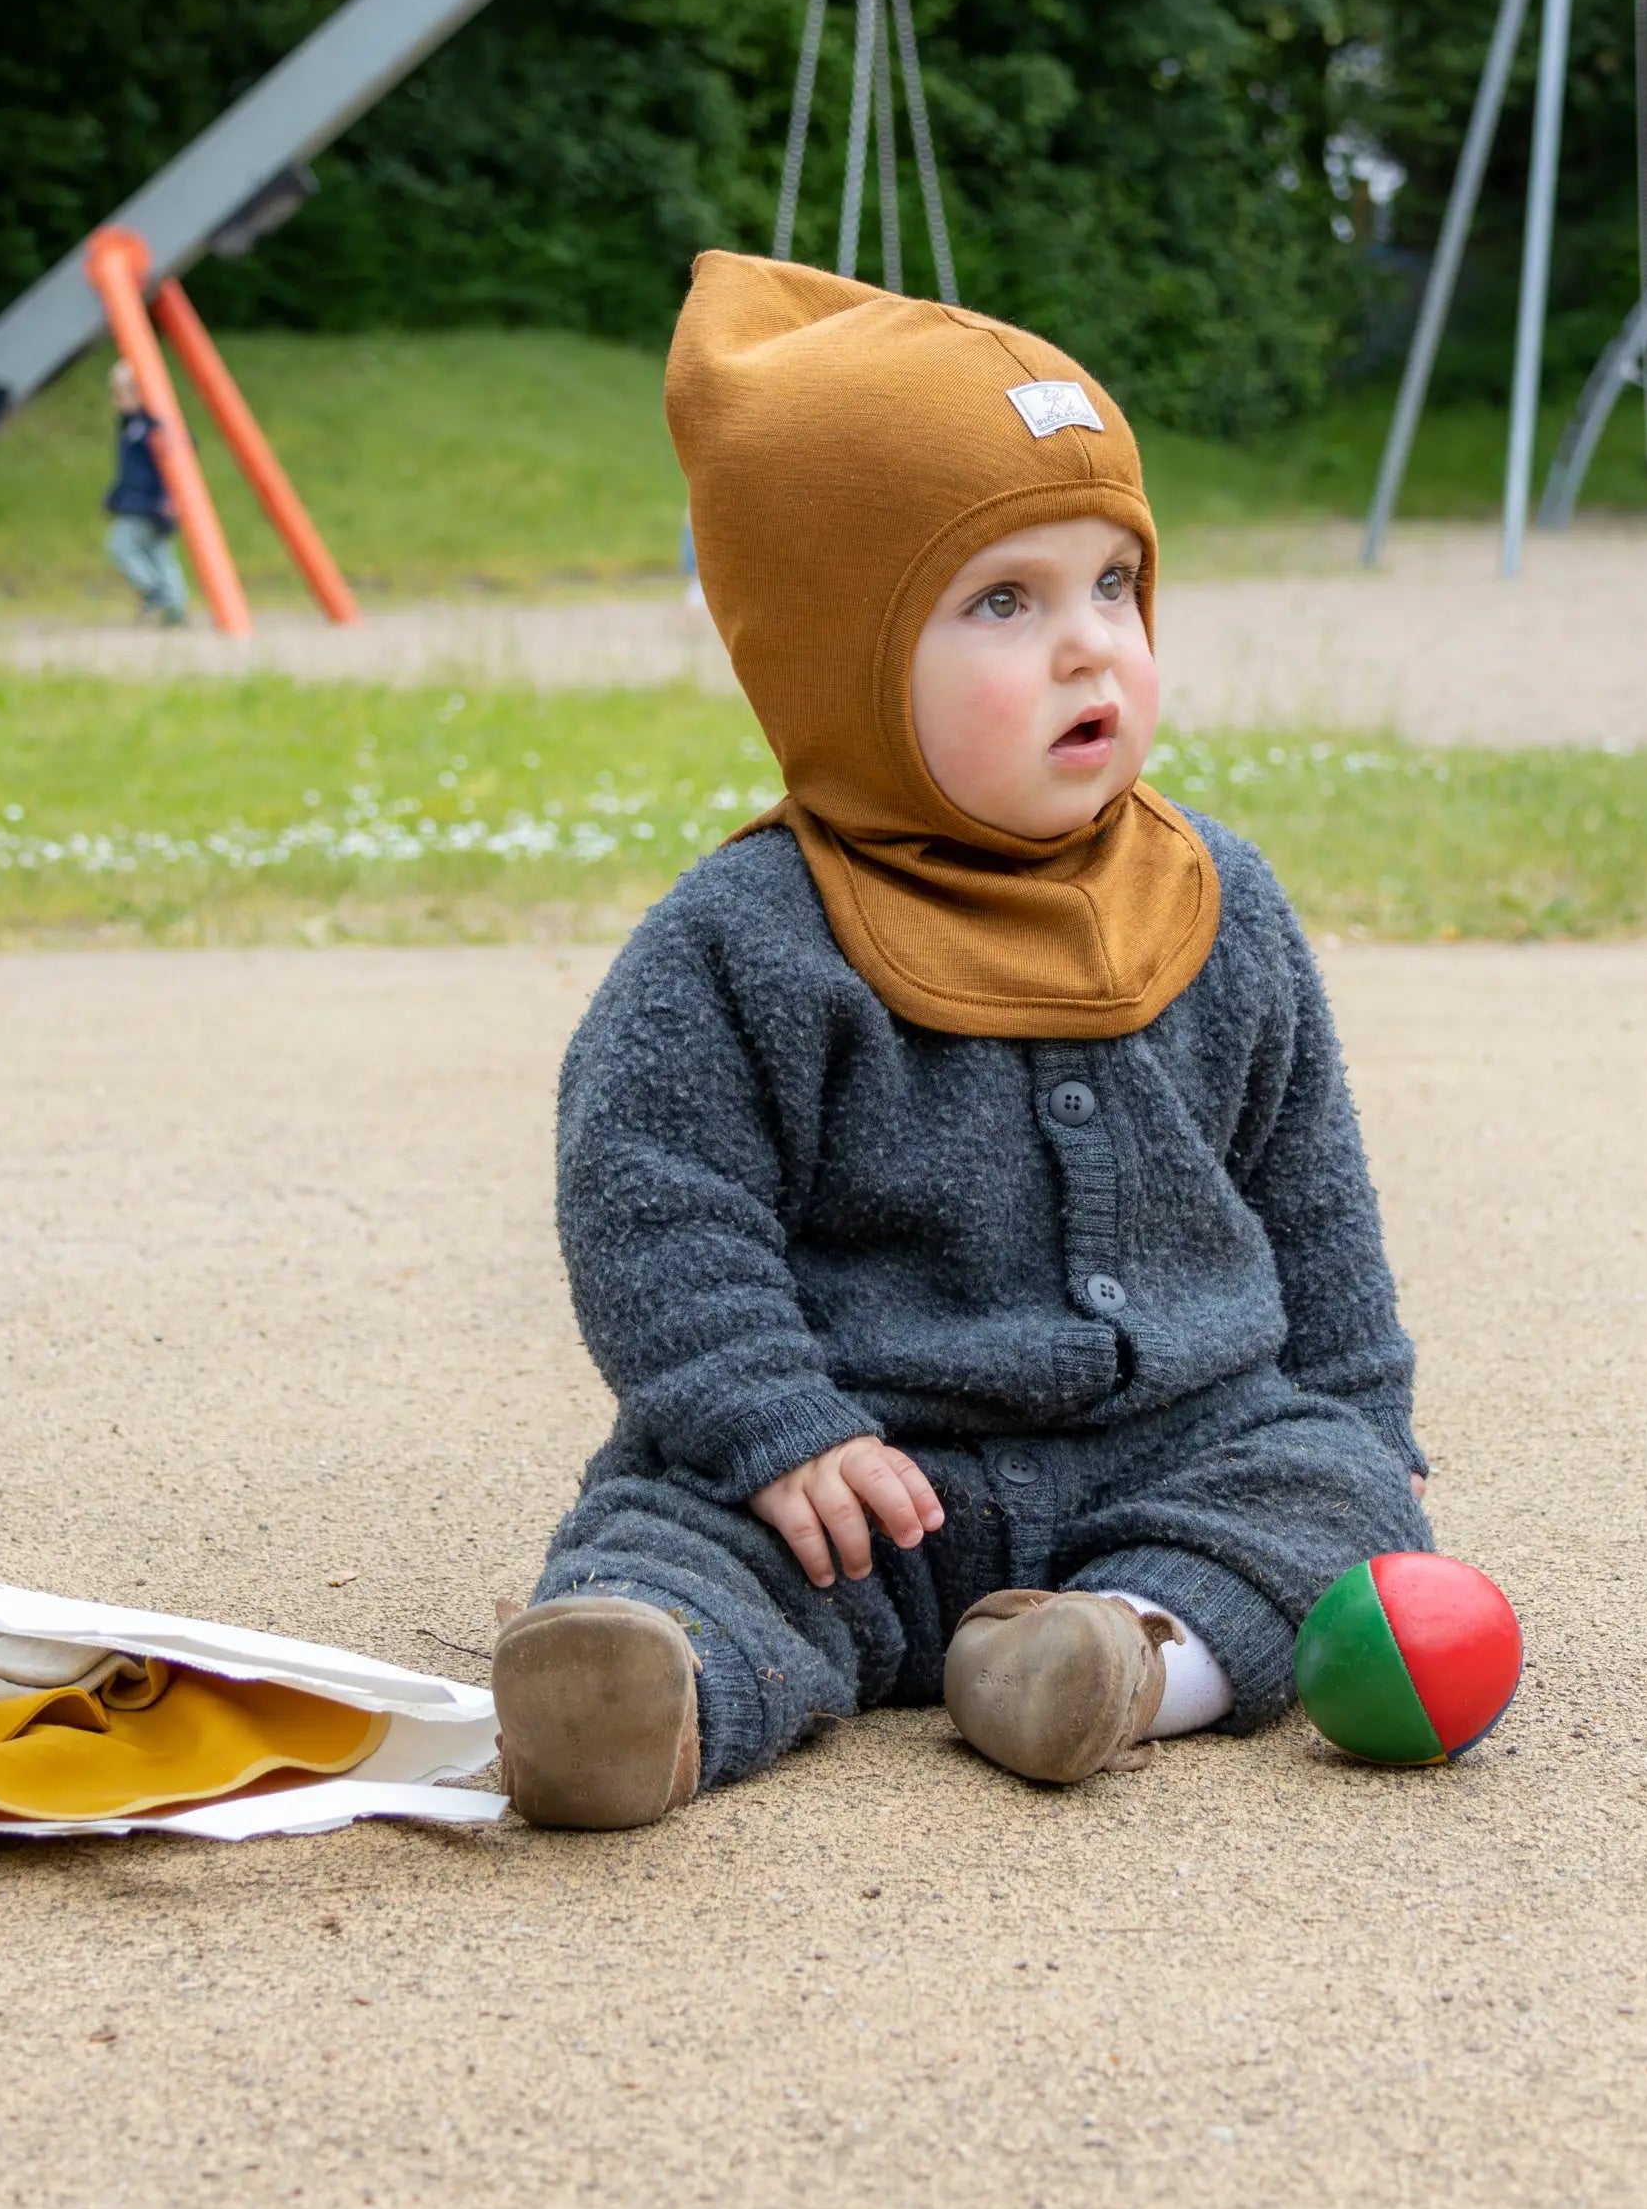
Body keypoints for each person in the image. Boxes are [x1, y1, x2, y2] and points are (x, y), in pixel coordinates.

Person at [492, 254, 1430, 1829]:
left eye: (1113, 585)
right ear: (836, 661)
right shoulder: (748, 940)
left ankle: (1113, 1657)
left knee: (1328, 1506)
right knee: (681, 1531)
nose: (1090, 649)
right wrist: (777, 1427)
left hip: (1178, 1448)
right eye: (1005, 601)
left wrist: (1372, 1431)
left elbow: (1310, 1197)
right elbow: (655, 1198)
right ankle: (645, 1697)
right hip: (868, 1476)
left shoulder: (1215, 899)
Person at [102, 357, 188, 625]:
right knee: (160, 552)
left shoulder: (149, 428)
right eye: (118, 393)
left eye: (126, 393)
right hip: (143, 501)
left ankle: (155, 590)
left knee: (121, 545)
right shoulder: (132, 429)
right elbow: (129, 472)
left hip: (147, 503)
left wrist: (167, 496)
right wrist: (114, 498)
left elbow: (168, 463)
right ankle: (176, 605)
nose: (120, 400)